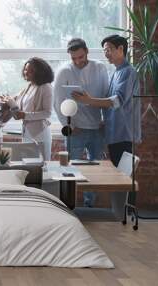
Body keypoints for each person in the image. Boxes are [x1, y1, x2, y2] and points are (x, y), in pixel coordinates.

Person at [53, 38, 109, 207]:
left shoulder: (100, 68)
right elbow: (57, 102)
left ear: (87, 52)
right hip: (75, 130)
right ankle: (68, 205)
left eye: (81, 57)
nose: (77, 61)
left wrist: (104, 120)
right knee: (69, 170)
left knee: (95, 170)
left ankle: (89, 204)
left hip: (97, 128)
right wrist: (68, 126)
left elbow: (106, 95)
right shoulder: (64, 71)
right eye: (73, 58)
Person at [73, 35, 141, 167]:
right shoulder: (116, 73)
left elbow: (116, 101)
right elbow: (110, 104)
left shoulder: (128, 72)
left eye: (108, 50)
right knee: (119, 174)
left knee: (123, 177)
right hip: (114, 132)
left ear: (120, 49)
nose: (106, 54)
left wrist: (89, 100)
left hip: (123, 133)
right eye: (104, 51)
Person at [3, 57, 54, 160]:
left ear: (39, 72)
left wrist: (25, 115)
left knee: (42, 166)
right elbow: (16, 102)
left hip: (40, 133)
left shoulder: (46, 87)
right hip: (27, 132)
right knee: (28, 164)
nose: (26, 72)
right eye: (26, 69)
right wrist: (8, 101)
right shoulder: (29, 86)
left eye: (31, 71)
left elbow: (47, 113)